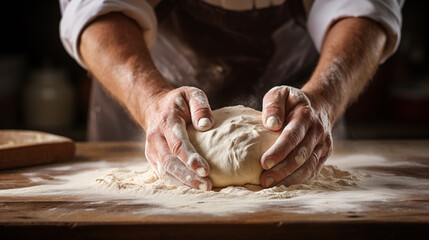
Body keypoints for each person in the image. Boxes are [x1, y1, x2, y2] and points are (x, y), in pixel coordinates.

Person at [59, 0, 404, 190]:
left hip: (304, 92)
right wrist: (150, 100)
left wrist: (324, 99)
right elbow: (92, 9)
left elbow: (365, 6)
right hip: (152, 83)